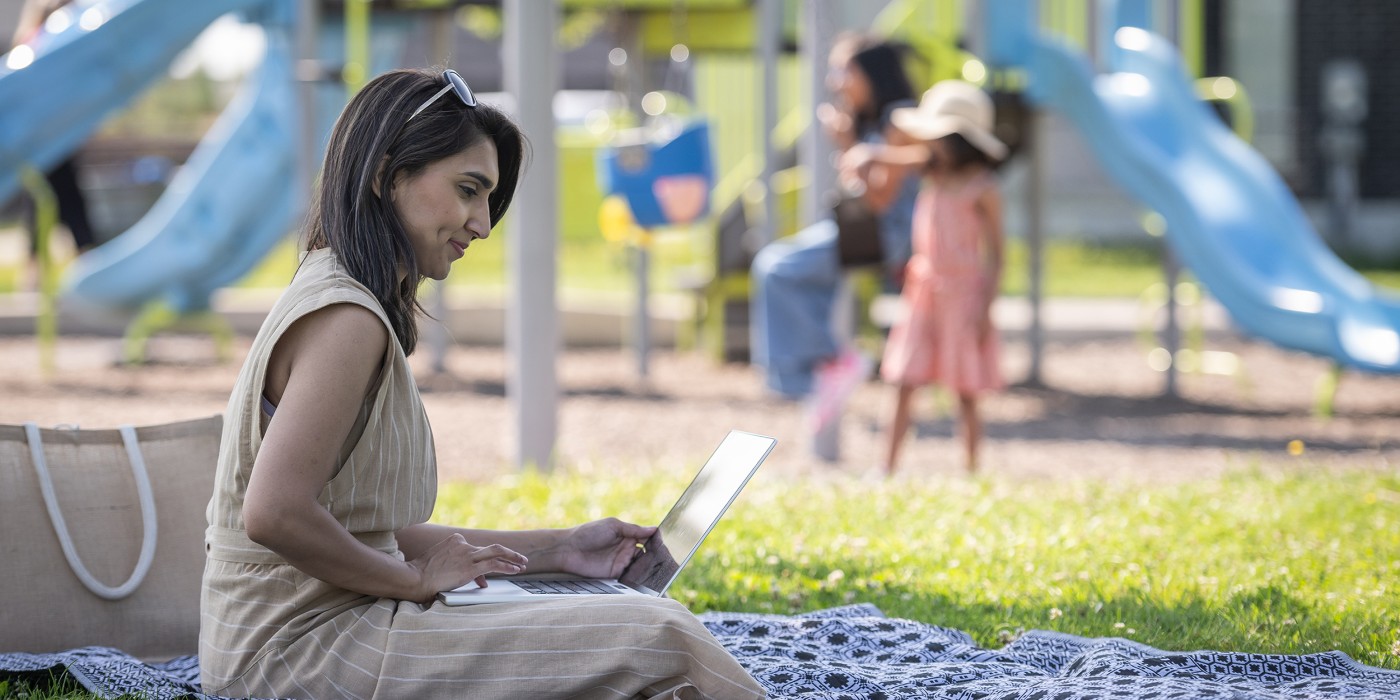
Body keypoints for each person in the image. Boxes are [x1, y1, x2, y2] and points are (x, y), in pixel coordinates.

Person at [199, 68, 764, 700]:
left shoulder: (344, 295)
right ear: (388, 173)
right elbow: (275, 514)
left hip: (312, 633)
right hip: (301, 653)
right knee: (660, 636)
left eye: (488, 199)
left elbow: (366, 531)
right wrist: (416, 583)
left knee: (617, 624)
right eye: (469, 190)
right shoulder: (348, 322)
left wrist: (562, 552)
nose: (483, 222)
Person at [749, 34, 921, 434]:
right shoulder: (876, 120)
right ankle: (817, 366)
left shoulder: (900, 121)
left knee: (778, 269)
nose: (835, 81)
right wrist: (851, 143)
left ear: (872, 73)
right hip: (858, 228)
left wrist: (847, 144)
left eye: (845, 70)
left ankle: (827, 363)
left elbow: (878, 199)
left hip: (883, 233)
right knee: (777, 266)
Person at [875, 80, 1008, 475]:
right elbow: (894, 148)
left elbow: (997, 254)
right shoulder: (929, 172)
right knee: (904, 379)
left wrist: (986, 308)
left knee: (965, 389)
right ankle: (887, 468)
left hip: (963, 294)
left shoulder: (981, 188)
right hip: (924, 291)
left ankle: (970, 470)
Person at [12, 0, 98, 286]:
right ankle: (83, 261)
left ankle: (40, 270)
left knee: (48, 200)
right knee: (63, 200)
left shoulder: (37, 44)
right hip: (42, 136)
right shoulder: (41, 45)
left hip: (51, 136)